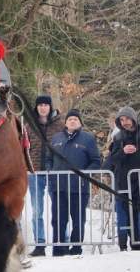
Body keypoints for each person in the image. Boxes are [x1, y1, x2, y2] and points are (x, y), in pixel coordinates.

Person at [46, 109, 101, 256]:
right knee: (58, 219)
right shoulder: (56, 138)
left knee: (78, 220)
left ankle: (76, 247)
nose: (72, 121)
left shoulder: (88, 139)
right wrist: (50, 172)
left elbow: (96, 161)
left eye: (75, 119)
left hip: (79, 188)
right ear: (65, 122)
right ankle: (58, 248)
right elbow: (48, 159)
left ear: (80, 123)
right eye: (70, 119)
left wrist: (85, 175)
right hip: (59, 187)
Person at [27, 95, 64, 257]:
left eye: (46, 105)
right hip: (35, 172)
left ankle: (62, 242)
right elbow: (23, 147)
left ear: (50, 107)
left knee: (60, 209)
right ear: (36, 107)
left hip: (55, 172)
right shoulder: (29, 125)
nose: (43, 108)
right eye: (40, 105)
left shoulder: (59, 125)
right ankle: (40, 244)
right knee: (37, 211)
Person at [104, 106, 140, 251]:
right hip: (122, 183)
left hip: (138, 182)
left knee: (137, 215)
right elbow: (109, 163)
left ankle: (137, 243)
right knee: (124, 216)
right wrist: (123, 152)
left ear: (133, 119)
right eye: (122, 119)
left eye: (127, 118)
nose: (125, 122)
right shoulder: (117, 138)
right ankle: (123, 245)